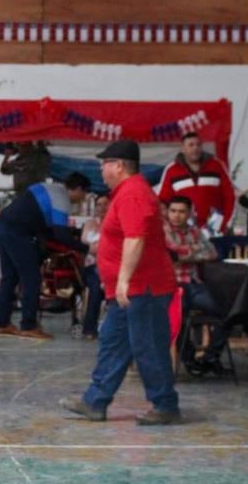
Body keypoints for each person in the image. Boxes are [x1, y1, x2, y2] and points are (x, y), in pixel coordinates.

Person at [61, 140, 181, 426]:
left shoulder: (134, 194)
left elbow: (135, 239)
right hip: (129, 289)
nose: (101, 168)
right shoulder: (126, 192)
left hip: (143, 288)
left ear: (118, 165)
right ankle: (95, 401)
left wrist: (124, 280)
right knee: (113, 342)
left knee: (148, 346)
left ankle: (165, 404)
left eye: (104, 163)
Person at [0, 173, 90, 340]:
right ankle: (28, 325)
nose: (82, 199)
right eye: (84, 194)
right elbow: (61, 234)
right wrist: (85, 248)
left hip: (3, 226)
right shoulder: (62, 198)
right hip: (17, 232)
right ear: (78, 189)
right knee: (32, 278)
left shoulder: (47, 187)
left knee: (10, 277)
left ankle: (2, 323)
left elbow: (45, 228)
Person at [162, 196, 229, 375]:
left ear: (189, 213)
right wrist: (194, 252)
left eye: (182, 212)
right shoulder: (161, 231)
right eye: (173, 211)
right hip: (171, 285)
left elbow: (213, 253)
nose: (176, 216)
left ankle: (211, 356)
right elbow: (169, 254)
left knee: (227, 311)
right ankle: (189, 359)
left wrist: (183, 255)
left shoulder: (195, 231)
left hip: (193, 283)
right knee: (178, 317)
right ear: (167, 212)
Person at [155, 132, 235, 231]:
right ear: (183, 149)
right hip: (183, 231)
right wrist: (168, 226)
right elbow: (162, 201)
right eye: (191, 145)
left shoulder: (217, 166)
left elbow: (230, 196)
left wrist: (226, 222)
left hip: (215, 228)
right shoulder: (171, 170)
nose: (195, 148)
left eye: (198, 145)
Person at [78, 193, 110, 339]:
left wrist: (98, 248)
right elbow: (85, 244)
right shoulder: (90, 223)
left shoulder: (115, 223)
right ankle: (89, 329)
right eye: (99, 204)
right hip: (92, 267)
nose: (102, 207)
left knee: (101, 286)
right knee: (96, 286)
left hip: (110, 266)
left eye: (105, 204)